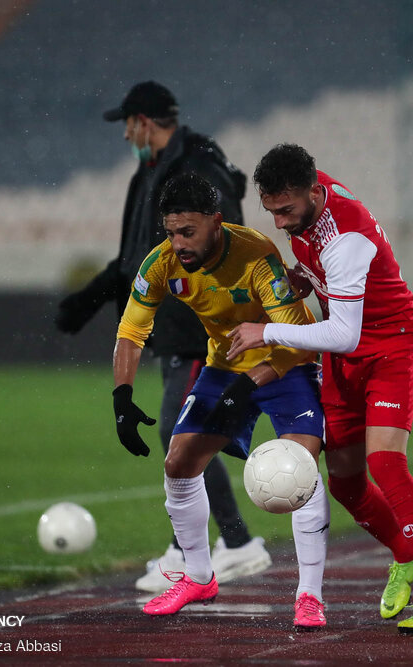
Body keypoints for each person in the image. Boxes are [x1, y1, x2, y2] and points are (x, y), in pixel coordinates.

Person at [227, 144, 413, 635]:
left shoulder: (346, 238)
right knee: (345, 483)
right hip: (347, 356)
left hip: (391, 346)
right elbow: (335, 305)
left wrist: (266, 332)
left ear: (314, 192)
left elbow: (343, 333)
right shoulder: (310, 195)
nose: (278, 222)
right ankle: (404, 551)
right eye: (270, 211)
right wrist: (306, 278)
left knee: (385, 462)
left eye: (286, 211)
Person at [54, 81, 269, 591]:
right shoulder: (154, 170)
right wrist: (94, 295)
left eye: (127, 124)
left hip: (199, 329)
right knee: (179, 434)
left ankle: (204, 548)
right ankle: (231, 543)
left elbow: (224, 241)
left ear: (143, 123)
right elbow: (137, 256)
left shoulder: (196, 167)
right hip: (173, 328)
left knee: (179, 433)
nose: (125, 133)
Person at [112, 173, 330, 629]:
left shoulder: (256, 255)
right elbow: (131, 331)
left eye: (187, 232)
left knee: (300, 466)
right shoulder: (160, 264)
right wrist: (122, 396)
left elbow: (298, 339)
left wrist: (250, 384)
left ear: (216, 222)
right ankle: (198, 576)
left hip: (286, 362)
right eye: (170, 233)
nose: (178, 244)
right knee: (179, 459)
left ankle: (309, 595)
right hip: (225, 366)